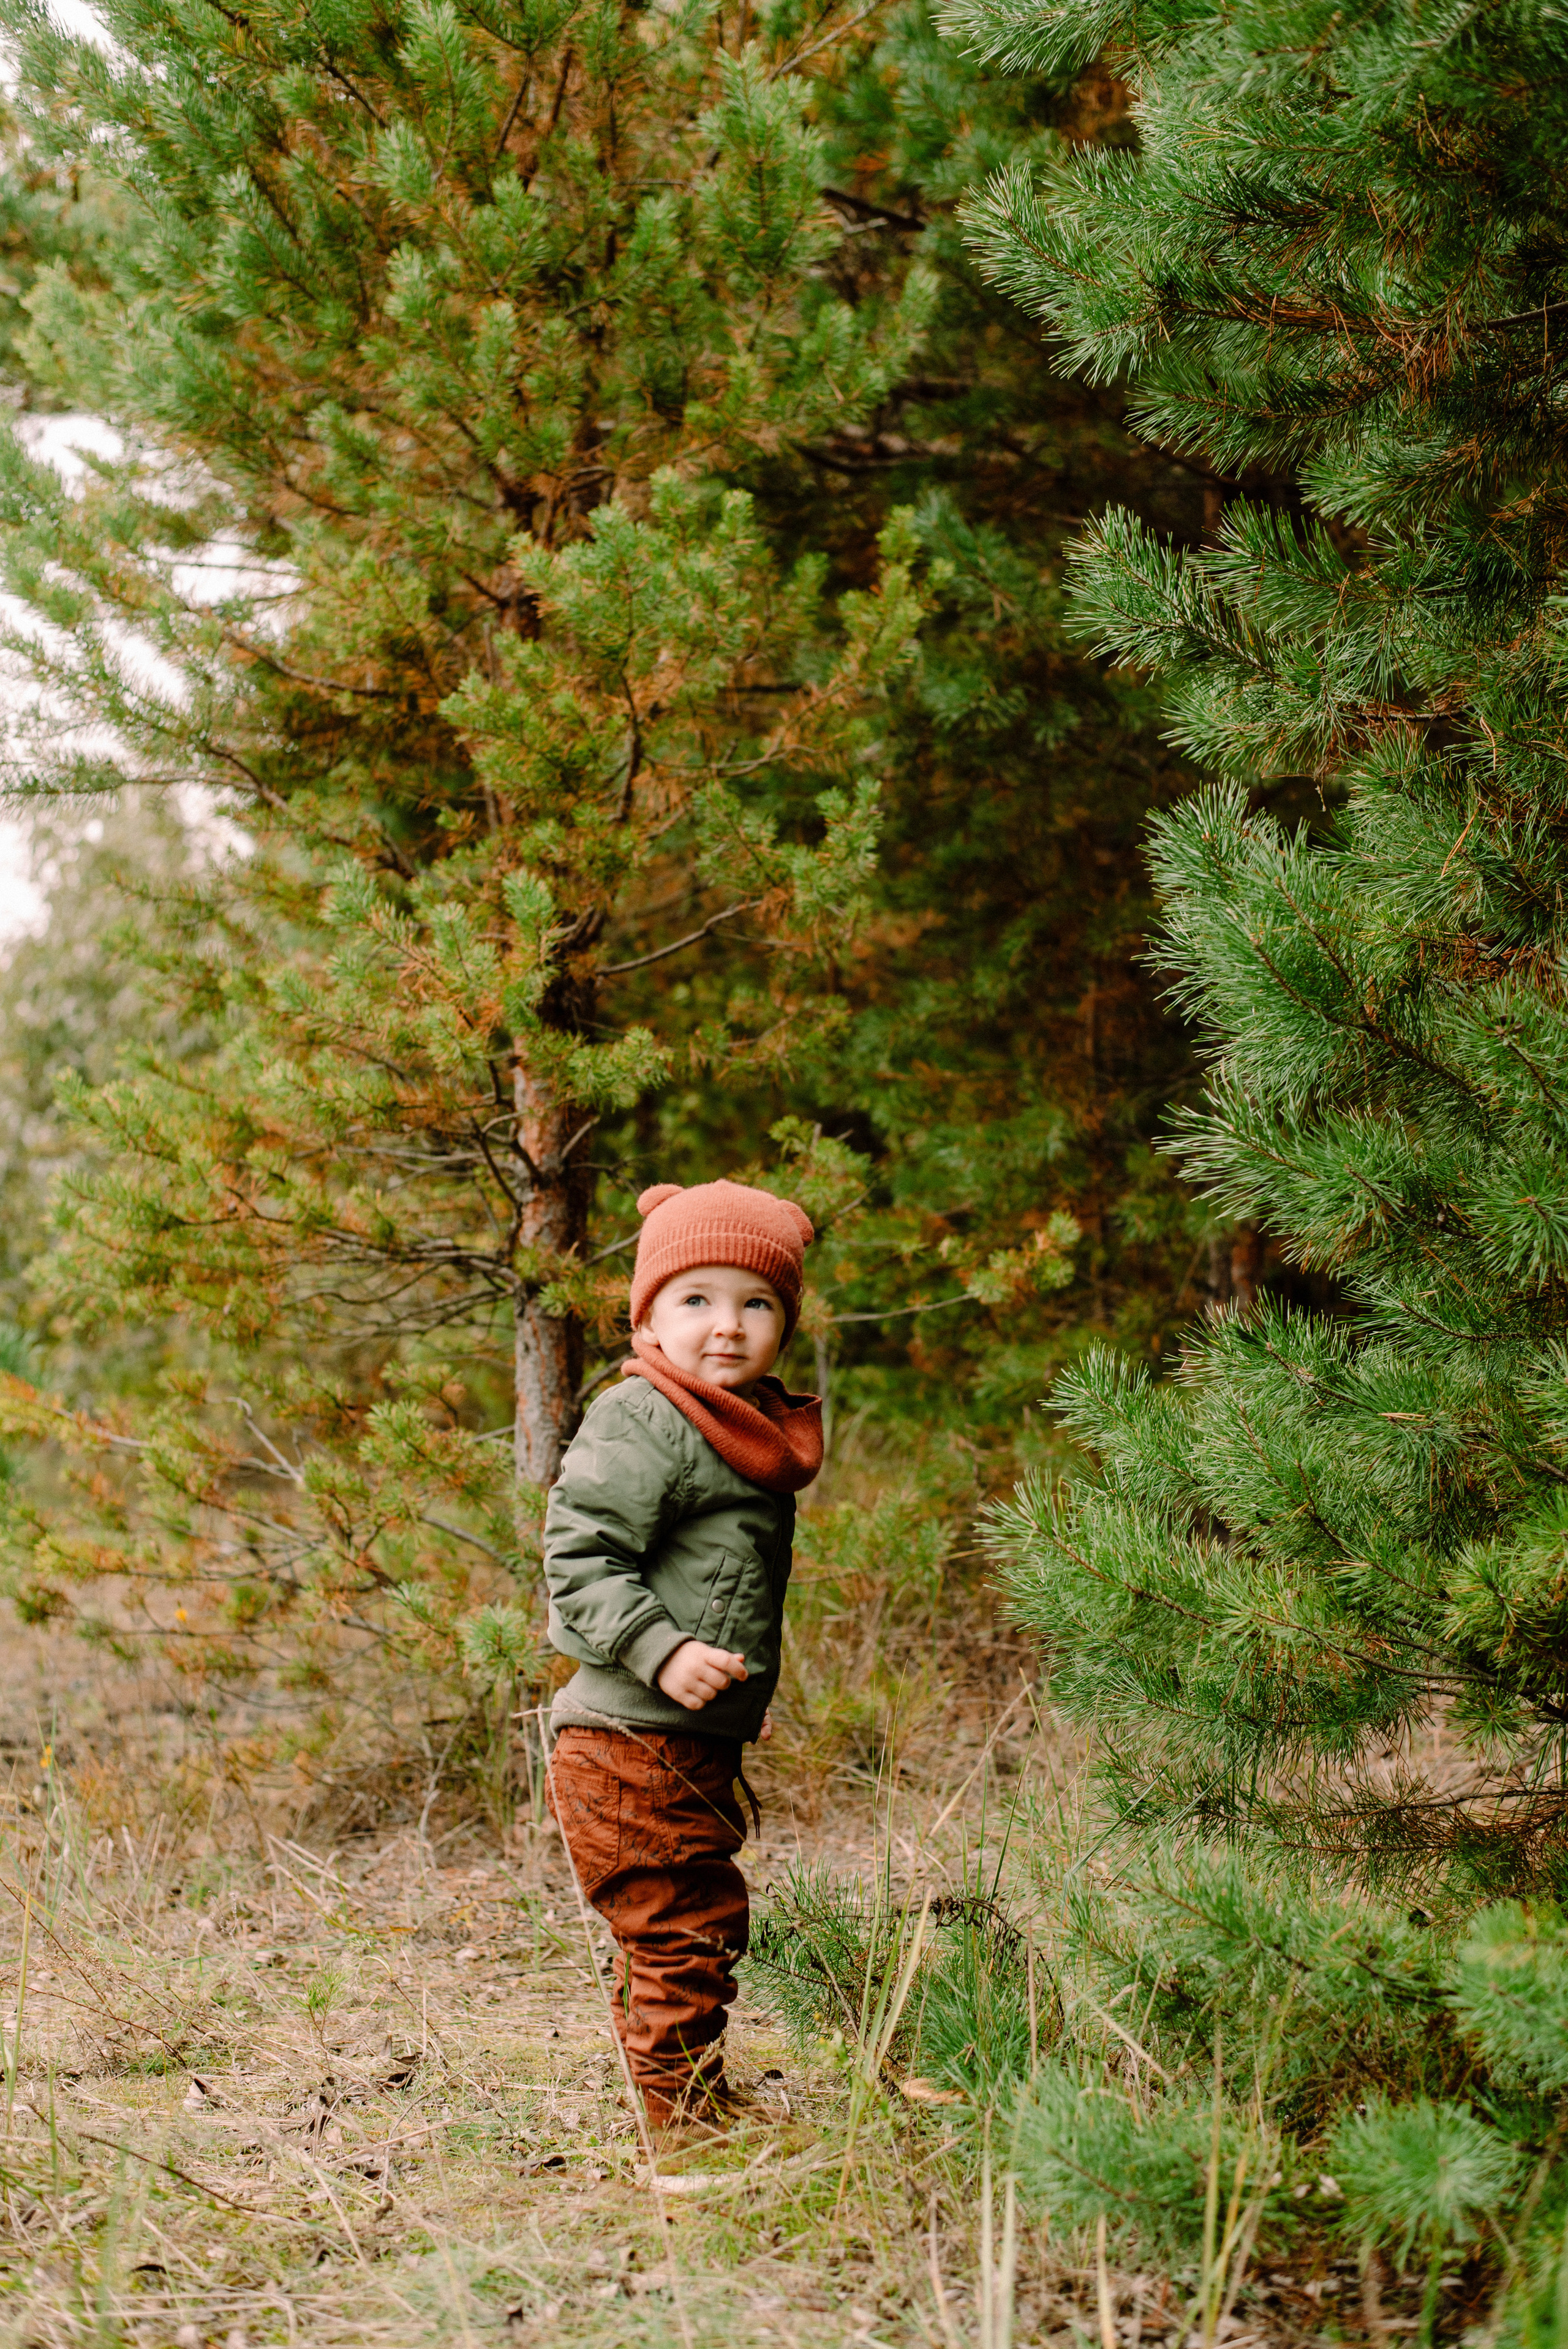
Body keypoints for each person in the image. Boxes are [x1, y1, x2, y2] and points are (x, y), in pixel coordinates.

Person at [541, 1179, 823, 2139]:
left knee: (696, 1918)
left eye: (758, 1302)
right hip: (627, 1741)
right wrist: (661, 1652)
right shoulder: (646, 1416)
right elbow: (579, 1559)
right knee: (678, 1929)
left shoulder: (736, 1424)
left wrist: (732, 1692)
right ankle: (680, 2125)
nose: (728, 1323)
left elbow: (720, 1582)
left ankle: (686, 2093)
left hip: (680, 1739)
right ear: (648, 1319)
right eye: (696, 1298)